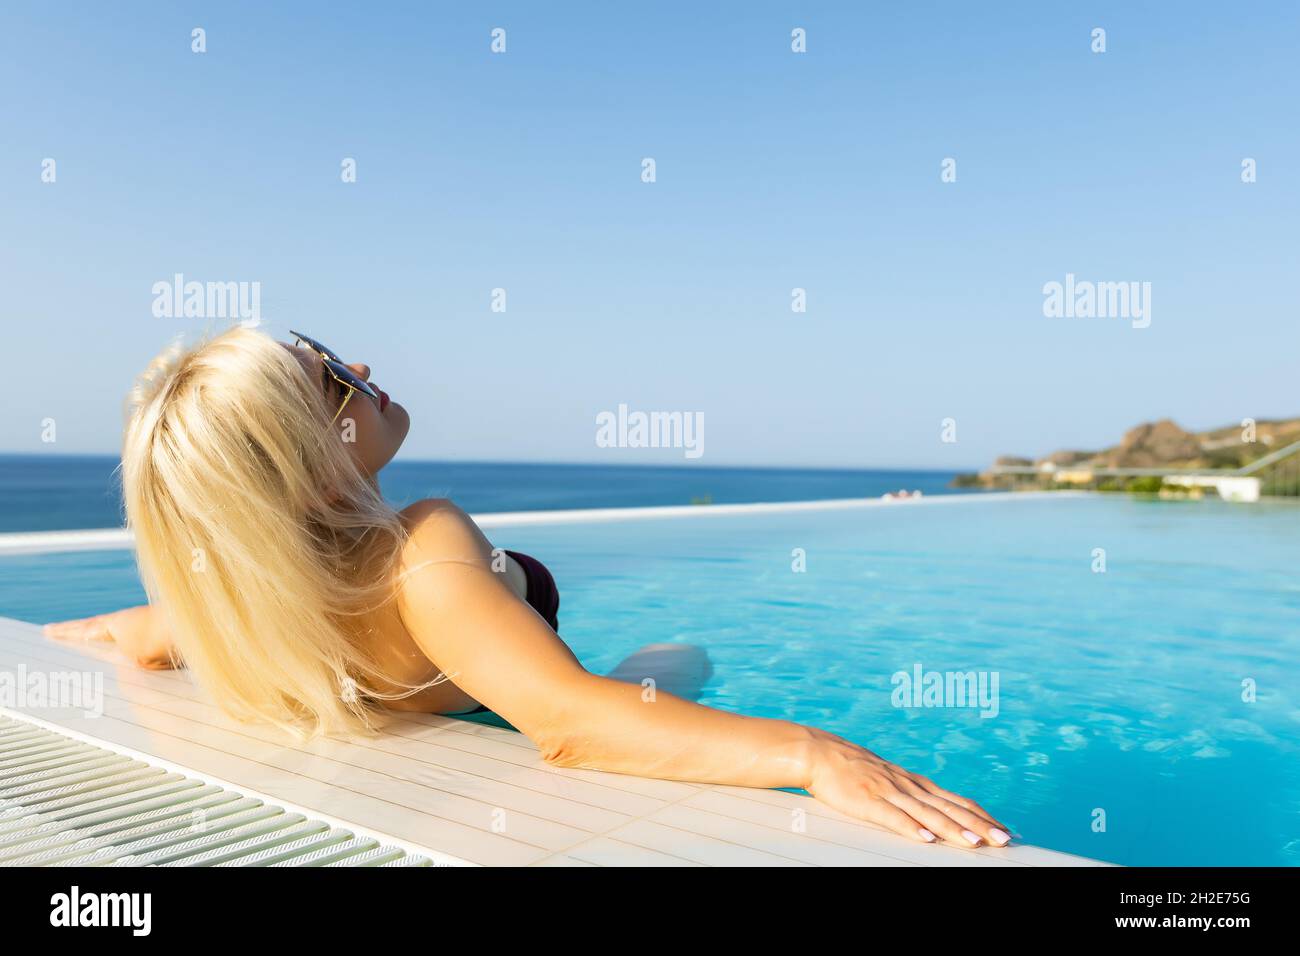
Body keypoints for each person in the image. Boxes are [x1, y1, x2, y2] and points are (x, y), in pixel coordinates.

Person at [46, 326, 1011, 849]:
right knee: (683, 656)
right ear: (316, 457)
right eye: (336, 374)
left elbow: (152, 632)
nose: (366, 366)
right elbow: (570, 724)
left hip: (439, 726)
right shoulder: (424, 549)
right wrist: (813, 752)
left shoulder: (238, 605)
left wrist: (94, 632)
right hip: (517, 716)